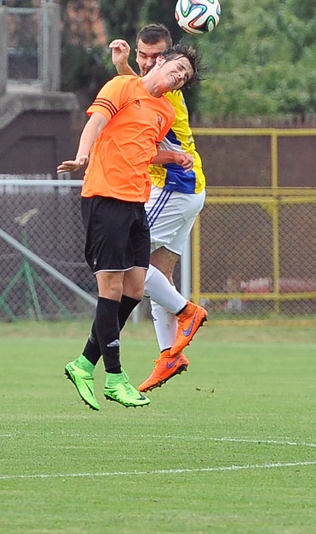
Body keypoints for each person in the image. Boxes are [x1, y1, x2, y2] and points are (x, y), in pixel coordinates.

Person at [58, 43, 201, 410]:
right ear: (161, 61)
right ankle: (115, 377)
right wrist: (82, 155)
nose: (181, 76)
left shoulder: (164, 111)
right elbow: (97, 122)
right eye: (179, 67)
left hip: (136, 202)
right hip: (105, 197)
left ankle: (83, 363)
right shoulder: (122, 86)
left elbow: (145, 149)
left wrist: (173, 156)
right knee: (111, 288)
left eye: (186, 76)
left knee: (135, 289)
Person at [109, 24, 208, 393]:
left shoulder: (171, 88)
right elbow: (138, 88)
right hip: (183, 187)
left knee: (122, 259)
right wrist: (124, 66)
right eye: (142, 56)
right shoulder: (152, 80)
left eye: (157, 57)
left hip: (174, 186)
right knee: (157, 276)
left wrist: (122, 68)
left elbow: (140, 90)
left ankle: (188, 312)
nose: (149, 63)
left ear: (171, 62)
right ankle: (170, 354)